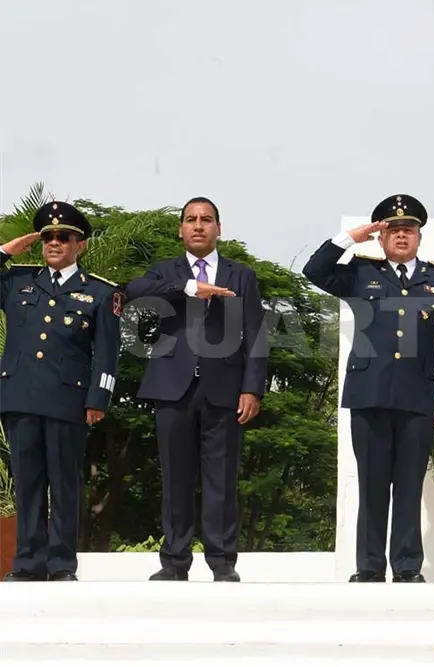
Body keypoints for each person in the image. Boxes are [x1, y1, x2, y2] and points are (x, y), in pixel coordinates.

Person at [303, 193, 434, 583]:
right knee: (373, 484)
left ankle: (407, 567)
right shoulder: (361, 273)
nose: (402, 236)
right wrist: (350, 237)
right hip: (370, 392)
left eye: (409, 229)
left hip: (419, 395)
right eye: (393, 230)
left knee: (409, 485)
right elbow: (315, 271)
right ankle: (370, 566)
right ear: (381, 236)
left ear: (420, 237)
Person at [125, 196, 267, 583]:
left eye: (207, 220)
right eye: (191, 220)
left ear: (219, 228)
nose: (199, 226)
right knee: (175, 477)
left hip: (225, 389)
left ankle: (222, 562)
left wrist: (252, 388)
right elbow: (133, 292)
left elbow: (255, 335)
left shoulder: (241, 276)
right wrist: (189, 287)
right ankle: (174, 561)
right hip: (173, 387)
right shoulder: (164, 272)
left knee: (222, 477)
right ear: (181, 229)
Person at [0, 201, 122, 582]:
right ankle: (28, 562)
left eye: (63, 237)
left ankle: (61, 563)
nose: (54, 242)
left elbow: (107, 353)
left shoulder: (99, 293)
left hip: (67, 399)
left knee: (65, 482)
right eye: (48, 236)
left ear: (79, 245)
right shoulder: (16, 281)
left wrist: (99, 398)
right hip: (19, 396)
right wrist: (4, 251)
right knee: (28, 481)